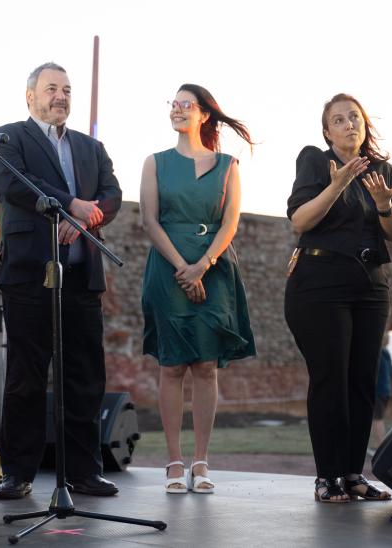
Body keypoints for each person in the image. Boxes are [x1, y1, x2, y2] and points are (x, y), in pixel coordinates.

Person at [0, 62, 122, 499]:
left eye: (66, 89)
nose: (60, 96)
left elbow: (112, 194)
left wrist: (88, 216)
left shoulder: (91, 147)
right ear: (31, 96)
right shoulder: (9, 138)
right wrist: (70, 207)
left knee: (84, 374)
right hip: (30, 273)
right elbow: (14, 186)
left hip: (82, 271)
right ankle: (18, 473)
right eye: (51, 89)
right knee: (27, 375)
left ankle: (85, 472)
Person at [284, 93, 392, 503]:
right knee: (330, 379)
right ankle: (327, 476)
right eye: (339, 120)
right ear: (327, 131)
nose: (349, 124)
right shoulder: (316, 162)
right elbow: (300, 220)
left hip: (370, 286)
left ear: (364, 124)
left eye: (354, 117)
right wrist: (336, 185)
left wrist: (384, 207)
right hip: (319, 283)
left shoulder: (383, 171)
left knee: (361, 381)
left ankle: (354, 474)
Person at [140, 84, 256, 494]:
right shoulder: (155, 163)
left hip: (215, 267)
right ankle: (173, 461)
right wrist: (182, 269)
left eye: (185, 104)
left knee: (206, 365)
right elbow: (150, 222)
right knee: (171, 365)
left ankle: (202, 462)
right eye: (173, 103)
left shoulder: (228, 165)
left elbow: (230, 224)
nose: (177, 109)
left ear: (204, 114)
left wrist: (202, 266)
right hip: (169, 269)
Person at [368, 337, 392, 455]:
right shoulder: (386, 353)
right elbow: (390, 373)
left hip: (378, 391)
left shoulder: (377, 353)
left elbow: (373, 373)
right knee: (377, 419)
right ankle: (379, 446)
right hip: (386, 391)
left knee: (377, 419)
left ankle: (381, 448)